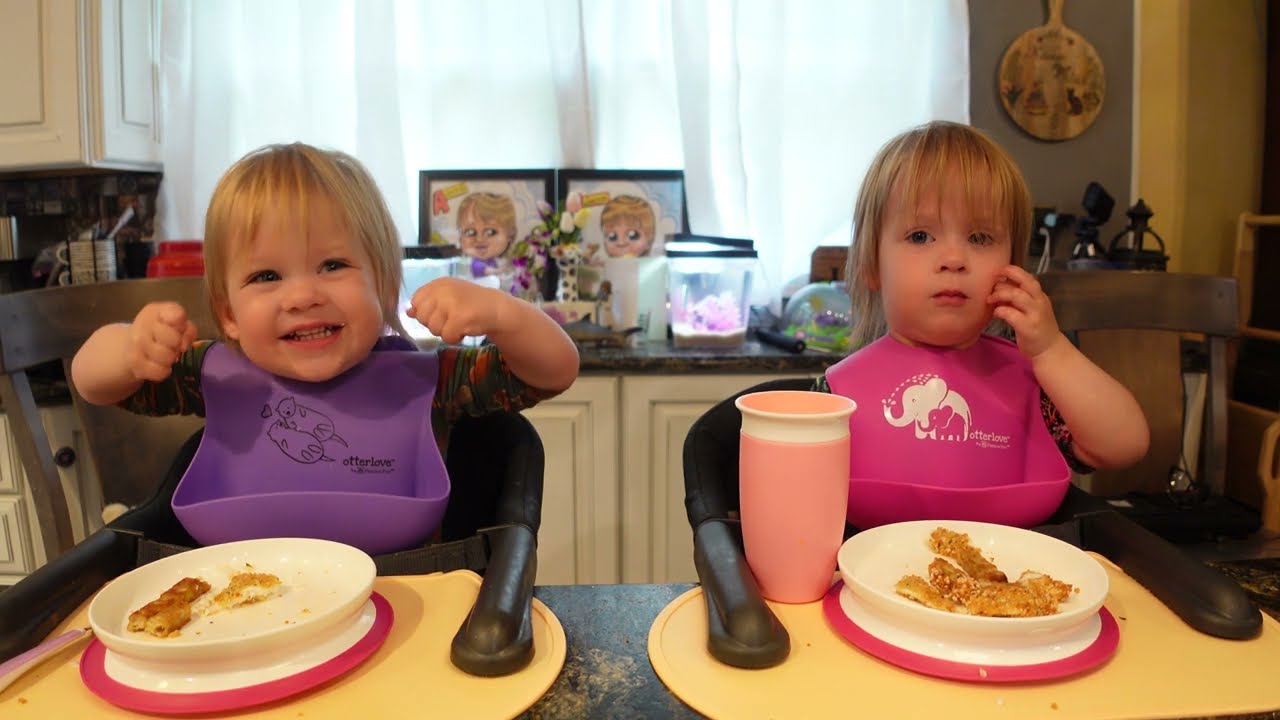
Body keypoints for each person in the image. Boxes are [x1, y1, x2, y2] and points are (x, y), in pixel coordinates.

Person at [70, 143, 579, 546]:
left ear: (381, 286)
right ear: (229, 314)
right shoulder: (211, 374)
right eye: (266, 276)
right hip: (246, 614)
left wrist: (505, 314)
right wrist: (129, 347)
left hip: (407, 617)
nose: (302, 296)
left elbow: (553, 371)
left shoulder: (430, 382)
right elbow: (94, 384)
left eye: (332, 266)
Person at [821, 121, 1148, 512]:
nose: (955, 260)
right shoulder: (834, 395)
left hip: (1013, 573)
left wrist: (1050, 351)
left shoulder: (1036, 388)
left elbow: (1125, 446)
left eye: (980, 238)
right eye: (920, 237)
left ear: (1011, 265)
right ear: (872, 265)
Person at [456, 191, 517, 277]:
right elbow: (487, 271)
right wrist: (499, 271)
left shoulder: (500, 261)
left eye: (490, 232)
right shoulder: (475, 263)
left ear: (510, 235)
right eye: (470, 232)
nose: (479, 239)